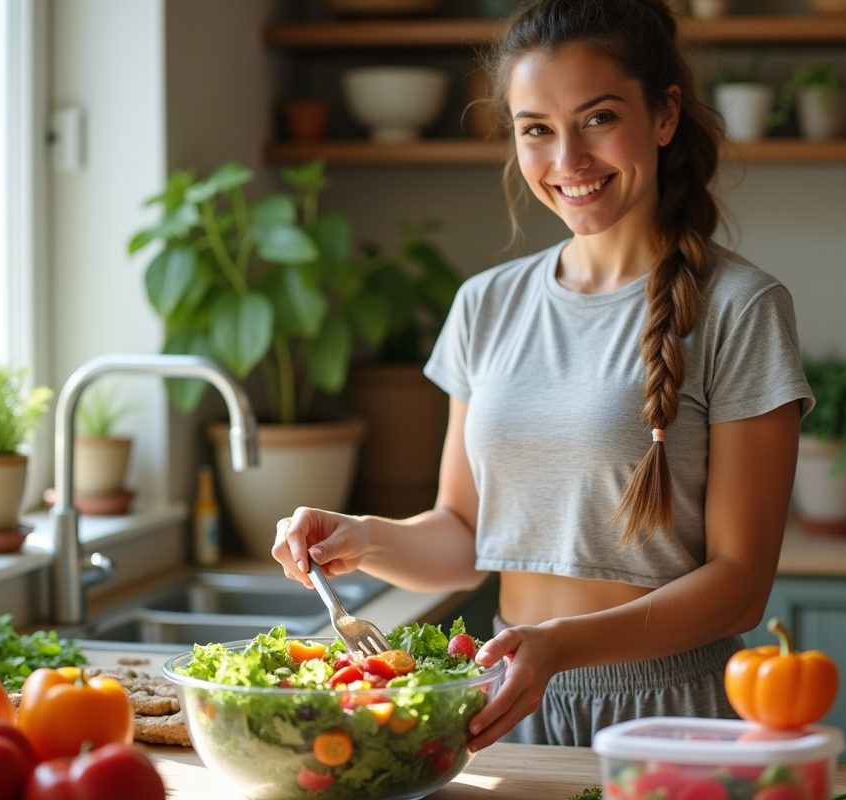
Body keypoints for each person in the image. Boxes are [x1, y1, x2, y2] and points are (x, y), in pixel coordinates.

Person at [273, 0, 812, 750]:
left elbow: (741, 586)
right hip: (510, 707)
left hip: (670, 718)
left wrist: (563, 646)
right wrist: (360, 538)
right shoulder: (484, 305)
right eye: (537, 130)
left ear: (664, 116)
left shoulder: (741, 308)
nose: (568, 161)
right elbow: (464, 537)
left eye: (597, 118)